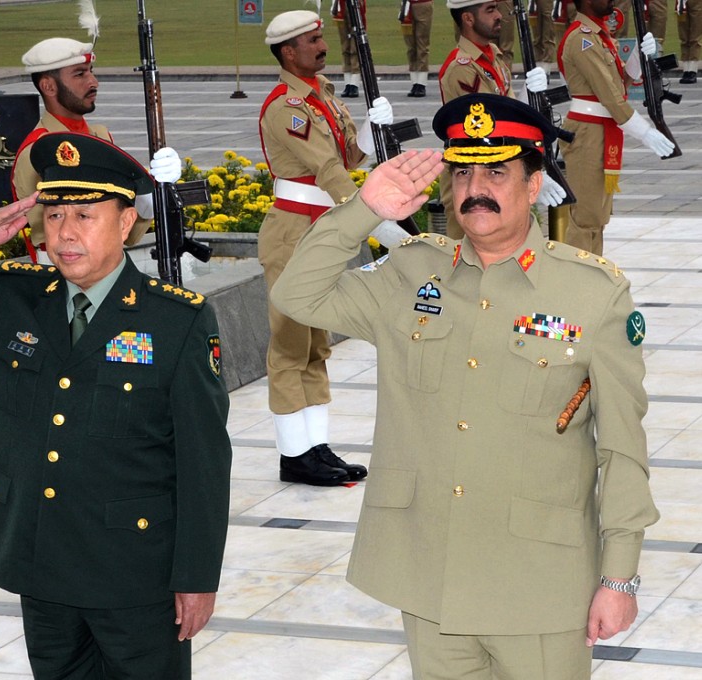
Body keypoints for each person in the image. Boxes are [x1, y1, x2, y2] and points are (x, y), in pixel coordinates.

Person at [271, 92, 659, 679]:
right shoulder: (410, 273)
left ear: (534, 185)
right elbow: (295, 294)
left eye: (496, 173)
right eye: (462, 173)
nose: (476, 188)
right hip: (431, 577)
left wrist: (620, 576)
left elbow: (623, 447)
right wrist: (364, 208)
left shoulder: (592, 294)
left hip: (540, 583)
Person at [0, 132, 232, 679]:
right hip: (40, 560)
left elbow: (204, 460)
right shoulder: (13, 297)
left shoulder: (175, 320)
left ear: (125, 222)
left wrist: (196, 576)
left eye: (85, 216)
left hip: (134, 573)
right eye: (53, 215)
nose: (64, 233)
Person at [259, 9, 393, 486]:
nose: (323, 46)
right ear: (288, 51)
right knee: (290, 343)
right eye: (313, 40)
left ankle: (314, 445)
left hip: (319, 229)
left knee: (316, 343)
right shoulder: (287, 107)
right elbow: (330, 171)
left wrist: (375, 135)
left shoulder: (323, 96)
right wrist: (376, 218)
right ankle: (293, 453)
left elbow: (347, 156)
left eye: (321, 38)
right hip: (293, 231)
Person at [10, 36, 181, 263]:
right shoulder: (39, 151)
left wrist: (147, 196)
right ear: (48, 86)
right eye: (80, 74)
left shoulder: (100, 136)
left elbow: (127, 235)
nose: (93, 82)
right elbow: (50, 240)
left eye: (91, 71)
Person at [559, 0, 674, 255]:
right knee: (585, 219)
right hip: (588, 131)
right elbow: (609, 96)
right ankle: (578, 276)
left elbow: (620, 83)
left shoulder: (599, 36)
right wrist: (644, 132)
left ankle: (594, 273)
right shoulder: (582, 39)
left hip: (602, 128)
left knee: (597, 218)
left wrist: (638, 57)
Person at [439, 0, 561, 238]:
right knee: (473, 251)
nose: (499, 15)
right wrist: (532, 169)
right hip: (472, 173)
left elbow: (507, 112)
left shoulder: (493, 56)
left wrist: (528, 92)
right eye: (490, 10)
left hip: (499, 168)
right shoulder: (462, 68)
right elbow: (486, 128)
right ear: (468, 19)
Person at [402, 0, 435, 96]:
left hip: (423, 4)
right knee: (410, 46)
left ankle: (421, 82)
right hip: (407, 6)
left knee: (422, 44)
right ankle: (415, 82)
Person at [332, 0, 363, 98]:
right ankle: (348, 83)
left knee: (354, 49)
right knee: (345, 48)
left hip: (354, 5)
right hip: (341, 6)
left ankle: (354, 84)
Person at [678, 0, 702, 83]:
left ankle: (692, 70)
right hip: (681, 2)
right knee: (684, 37)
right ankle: (686, 69)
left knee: (695, 36)